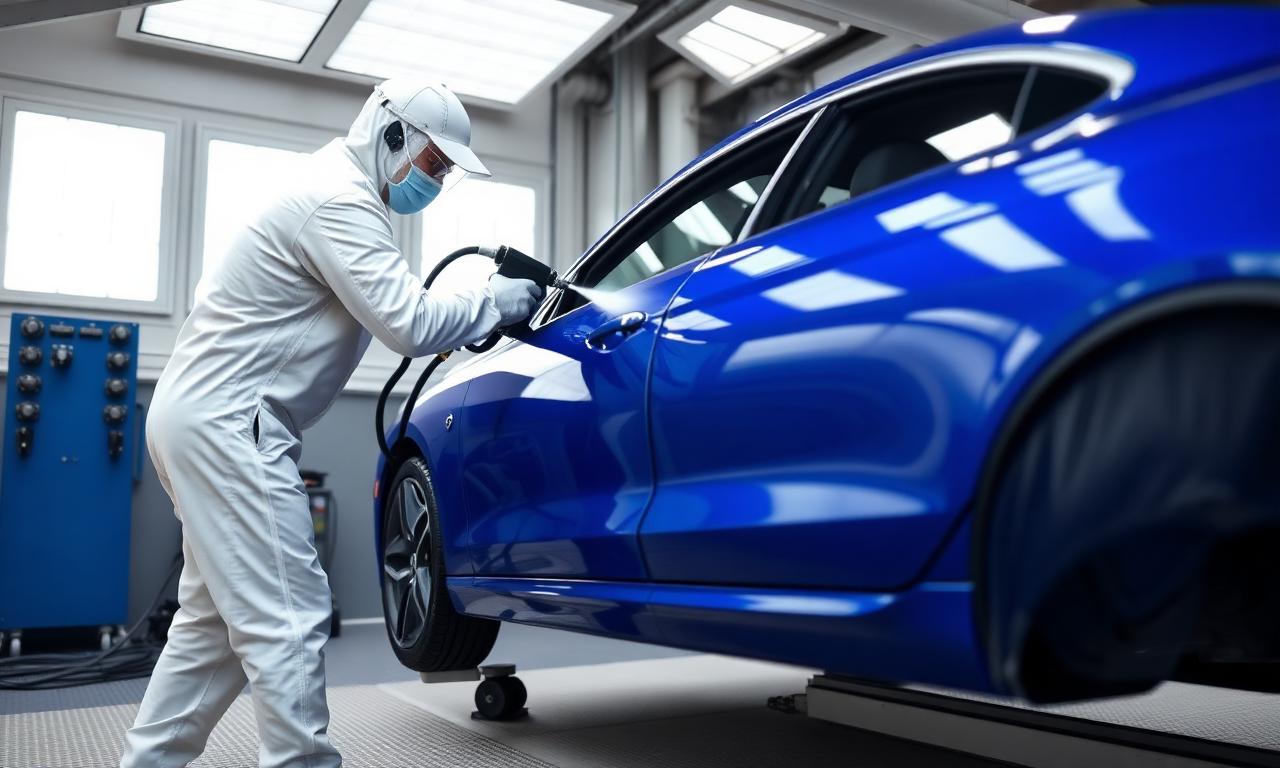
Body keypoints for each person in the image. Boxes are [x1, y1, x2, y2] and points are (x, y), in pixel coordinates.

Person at [119, 79, 542, 768]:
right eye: (433, 163)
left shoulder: (330, 191)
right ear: (391, 134)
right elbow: (407, 323)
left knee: (211, 627)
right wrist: (493, 302)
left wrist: (473, 312)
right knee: (289, 614)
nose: (433, 182)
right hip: (231, 422)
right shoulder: (340, 202)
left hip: (197, 416)